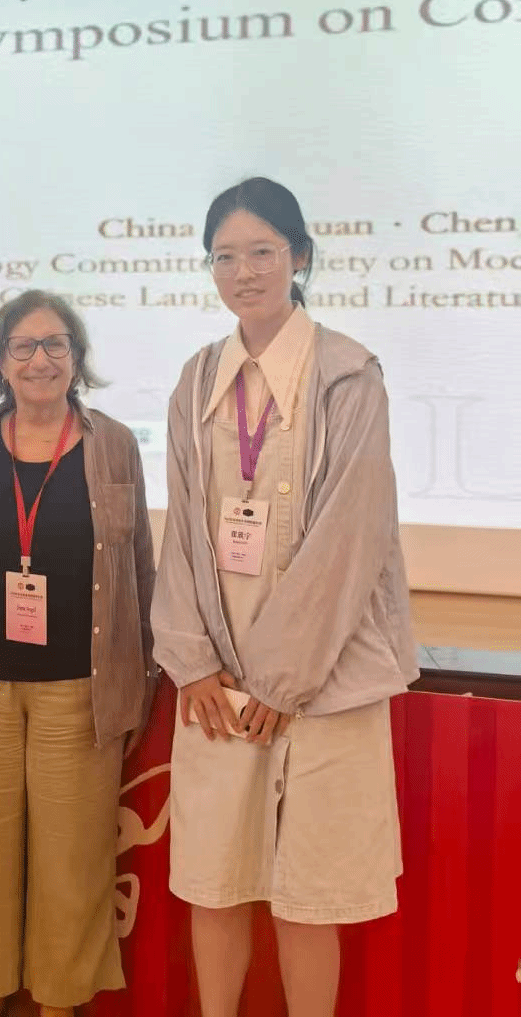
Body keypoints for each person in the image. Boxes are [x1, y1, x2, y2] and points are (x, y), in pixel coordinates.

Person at [151, 178, 419, 1017]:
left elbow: (350, 539)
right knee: (216, 885)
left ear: (299, 256)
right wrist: (193, 662)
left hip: (322, 682)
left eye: (263, 251)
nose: (245, 272)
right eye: (225, 256)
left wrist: (281, 678)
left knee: (309, 897)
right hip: (220, 688)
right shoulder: (198, 379)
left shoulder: (348, 376)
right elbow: (183, 532)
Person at [0, 289, 156, 1017]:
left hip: (79, 689)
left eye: (56, 344)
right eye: (23, 347)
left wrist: (140, 677)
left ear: (76, 358)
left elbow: (139, 567)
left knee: (72, 855)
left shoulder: (113, 443)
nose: (40, 360)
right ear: (1, 362)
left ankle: (59, 996)